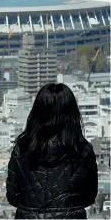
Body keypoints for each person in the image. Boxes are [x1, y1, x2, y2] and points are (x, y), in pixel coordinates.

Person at [6, 83, 98, 219]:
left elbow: (13, 195)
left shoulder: (23, 147)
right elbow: (89, 196)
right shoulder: (82, 149)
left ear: (37, 112)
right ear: (72, 113)